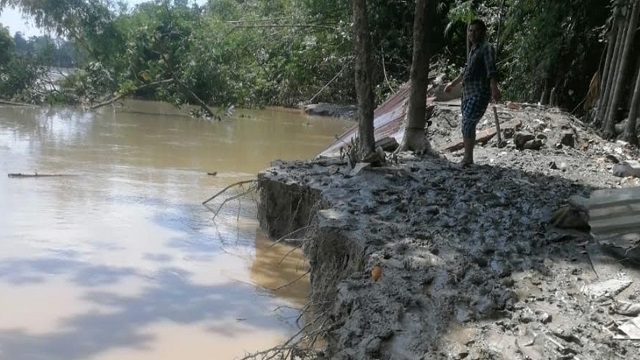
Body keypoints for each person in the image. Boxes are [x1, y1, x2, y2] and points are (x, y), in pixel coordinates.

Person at [444, 19, 501, 165]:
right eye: (470, 30)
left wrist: (494, 88)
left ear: (483, 32)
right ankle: (468, 156)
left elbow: (491, 70)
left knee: (468, 123)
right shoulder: (473, 50)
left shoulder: (486, 48)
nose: (472, 33)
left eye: (476, 30)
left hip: (480, 92)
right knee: (466, 124)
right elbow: (466, 71)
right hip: (467, 93)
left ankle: (468, 158)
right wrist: (452, 84)